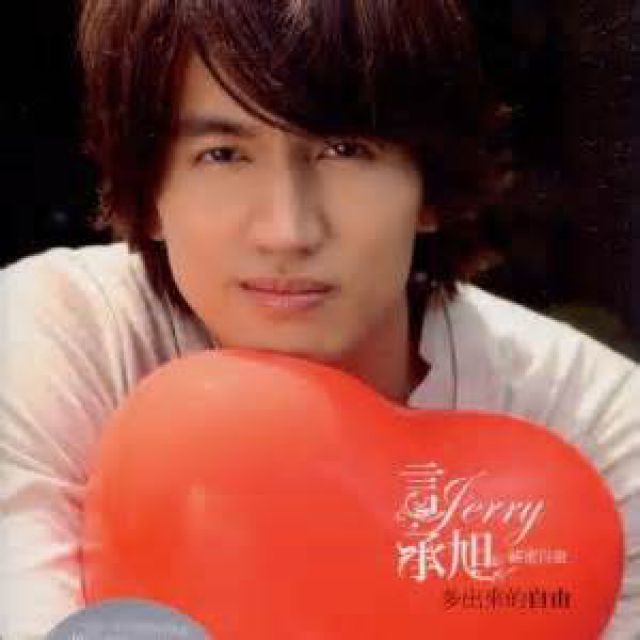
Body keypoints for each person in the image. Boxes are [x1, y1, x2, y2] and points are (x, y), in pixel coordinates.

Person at [0, 1, 637, 638]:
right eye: (223, 154)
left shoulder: (598, 434)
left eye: (345, 149)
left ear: (431, 187)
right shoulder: (61, 339)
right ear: (150, 192)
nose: (288, 231)